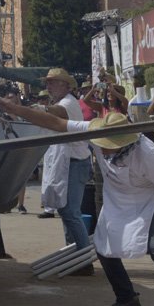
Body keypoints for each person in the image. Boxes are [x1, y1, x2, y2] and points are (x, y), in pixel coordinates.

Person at [0, 97, 154, 306]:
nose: (102, 148)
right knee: (103, 245)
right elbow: (55, 122)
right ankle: (127, 299)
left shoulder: (147, 154)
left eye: (108, 145)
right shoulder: (94, 130)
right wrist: (15, 109)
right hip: (119, 198)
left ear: (124, 143)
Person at [34, 68, 93, 273]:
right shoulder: (63, 102)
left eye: (52, 82)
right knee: (66, 210)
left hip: (74, 163)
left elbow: (54, 113)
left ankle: (83, 259)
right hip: (70, 162)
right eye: (47, 83)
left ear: (65, 85)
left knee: (70, 212)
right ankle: (75, 255)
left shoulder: (67, 103)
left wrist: (29, 109)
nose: (48, 86)